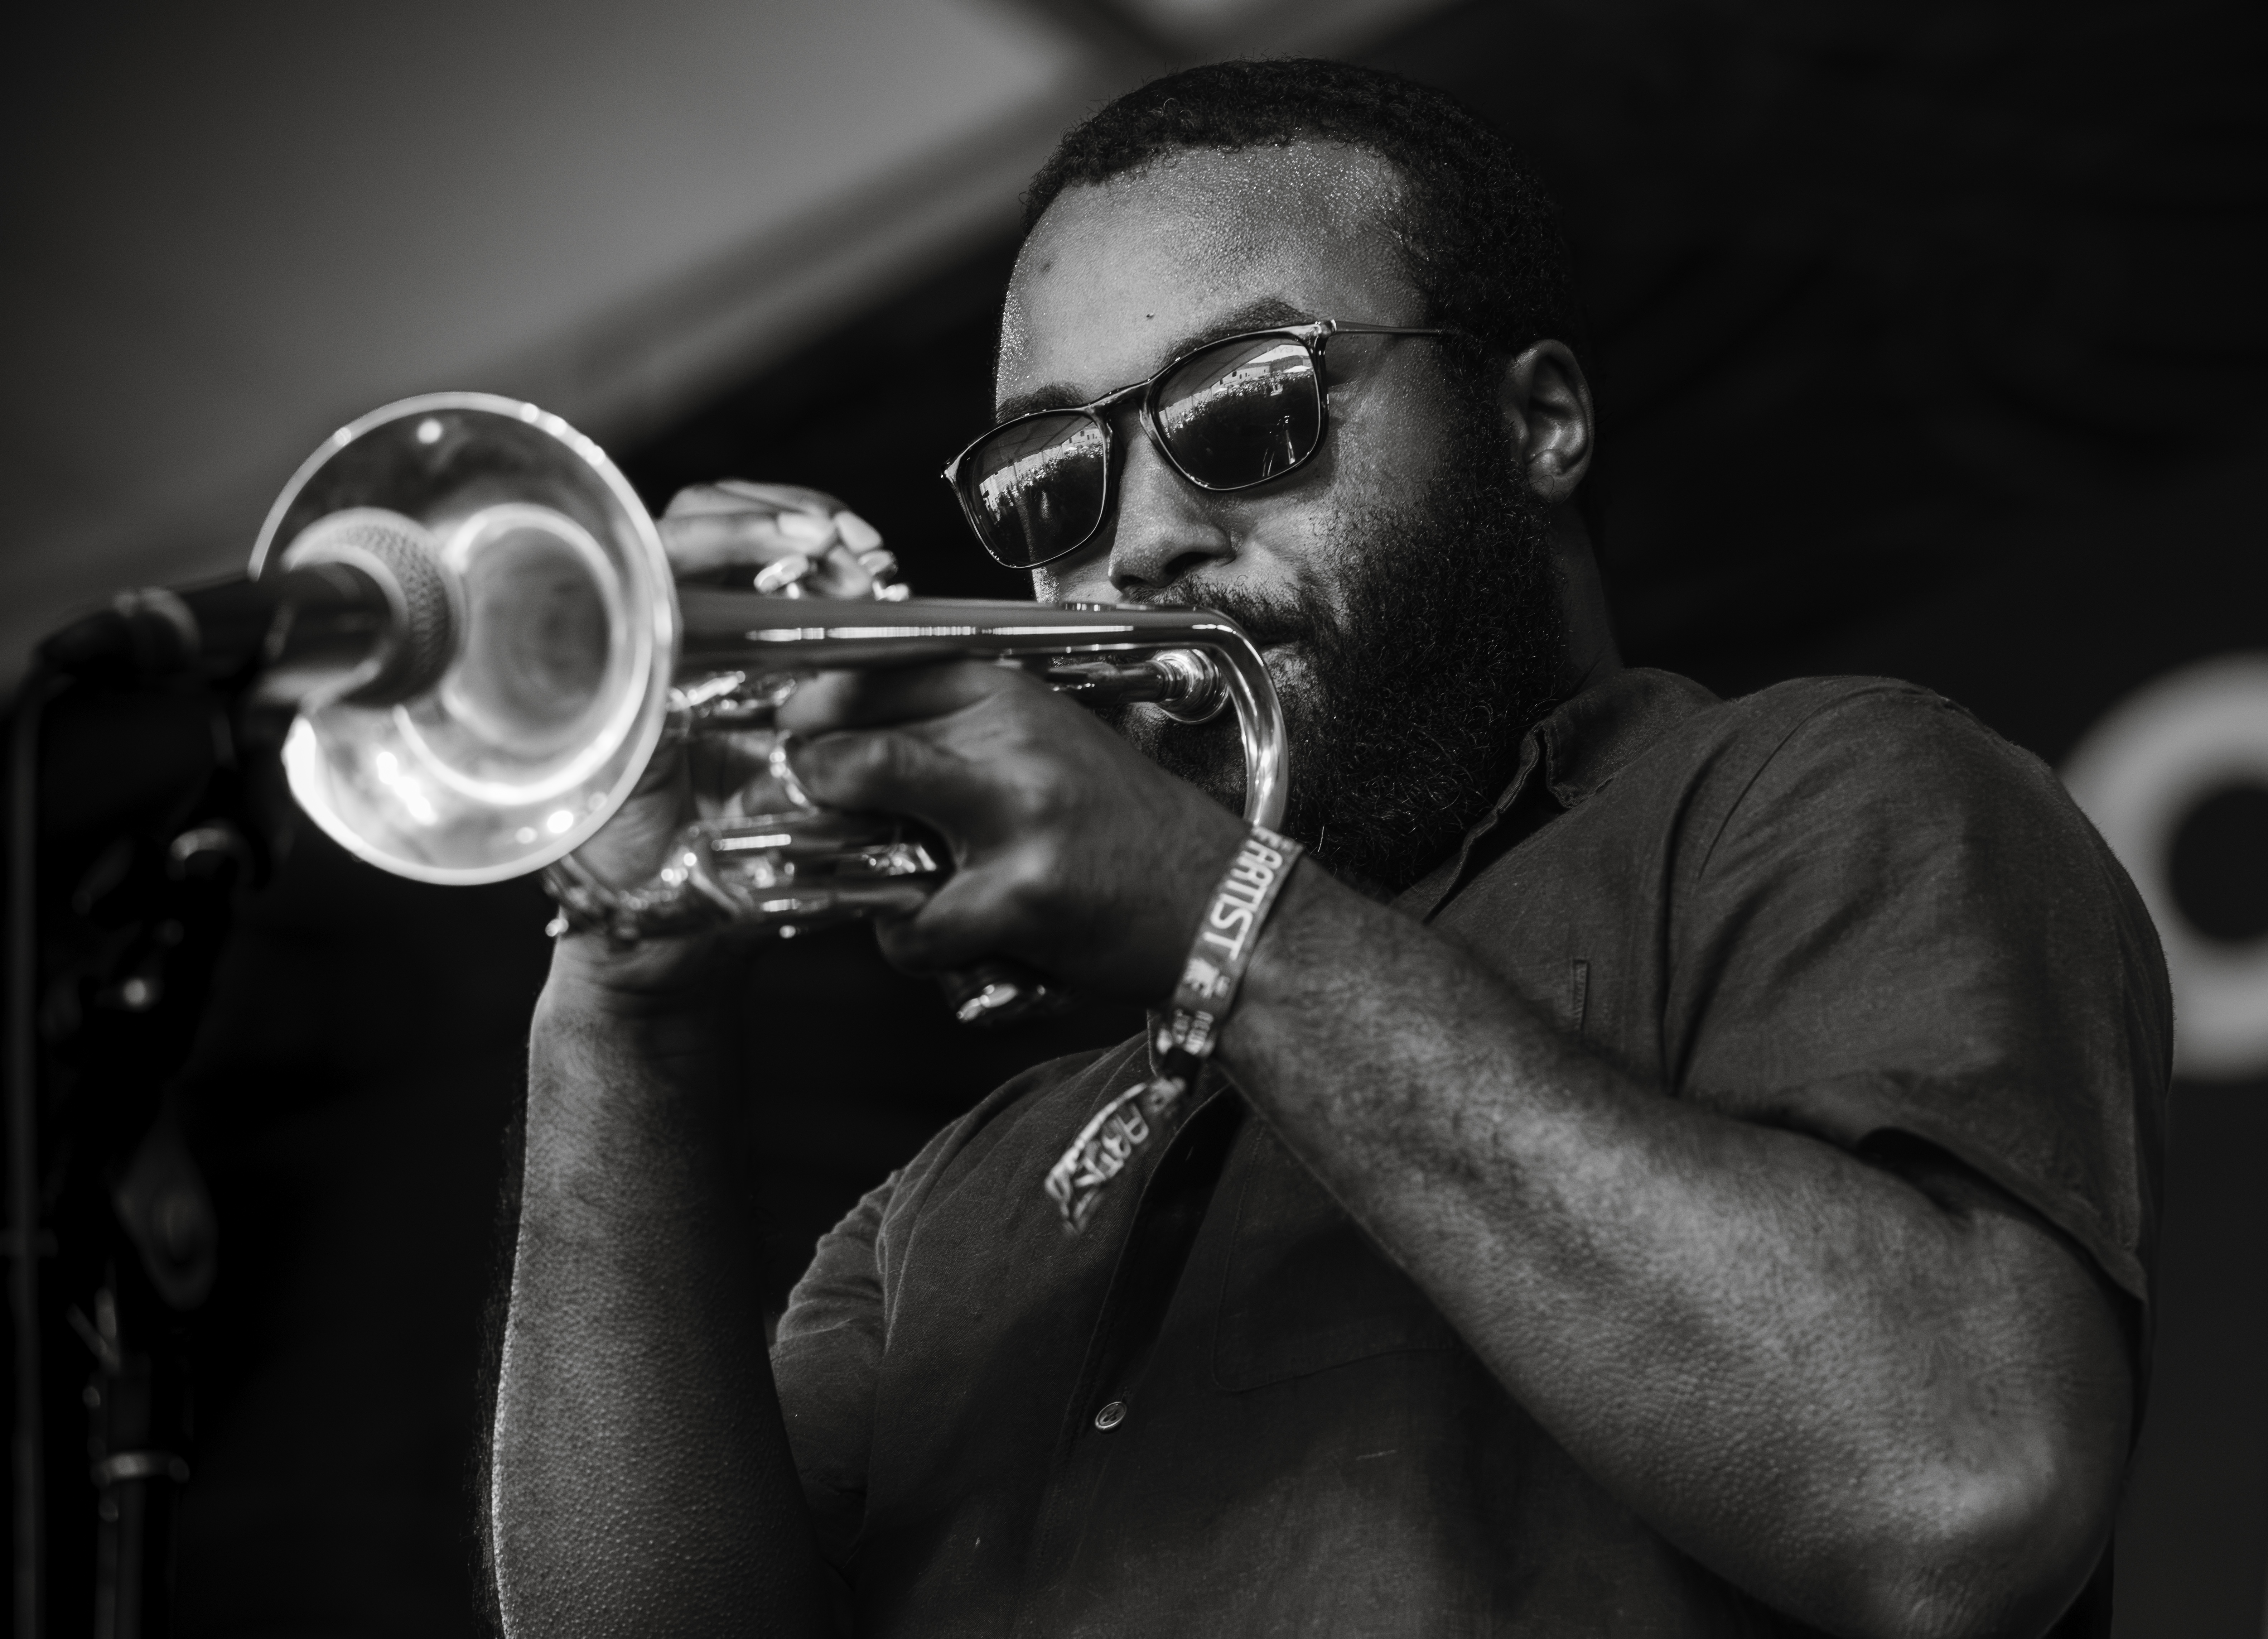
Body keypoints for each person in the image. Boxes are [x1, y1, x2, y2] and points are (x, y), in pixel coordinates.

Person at [486, 60, 2168, 1639]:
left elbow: (1960, 1493)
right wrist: (620, 981)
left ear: (1541, 420)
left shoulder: (1815, 791)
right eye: (1051, 484)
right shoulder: (947, 1208)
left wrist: (1220, 921)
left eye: (1245, 409)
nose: (1139, 541)